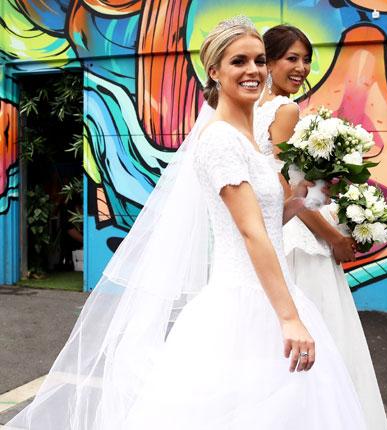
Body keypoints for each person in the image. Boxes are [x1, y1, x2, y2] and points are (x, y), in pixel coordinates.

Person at [7, 17, 365, 429]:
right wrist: (288, 317)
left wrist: (304, 199)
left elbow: (263, 220)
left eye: (259, 60)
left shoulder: (248, 139)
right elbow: (250, 233)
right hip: (244, 305)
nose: (253, 70)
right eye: (239, 61)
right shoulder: (219, 141)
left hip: (272, 293)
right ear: (214, 71)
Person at [255, 24, 387, 430]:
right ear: (270, 62)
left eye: (306, 59)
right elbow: (288, 189)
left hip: (277, 234)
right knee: (322, 334)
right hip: (301, 240)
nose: (302, 67)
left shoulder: (253, 109)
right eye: (291, 59)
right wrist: (334, 235)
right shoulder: (285, 110)